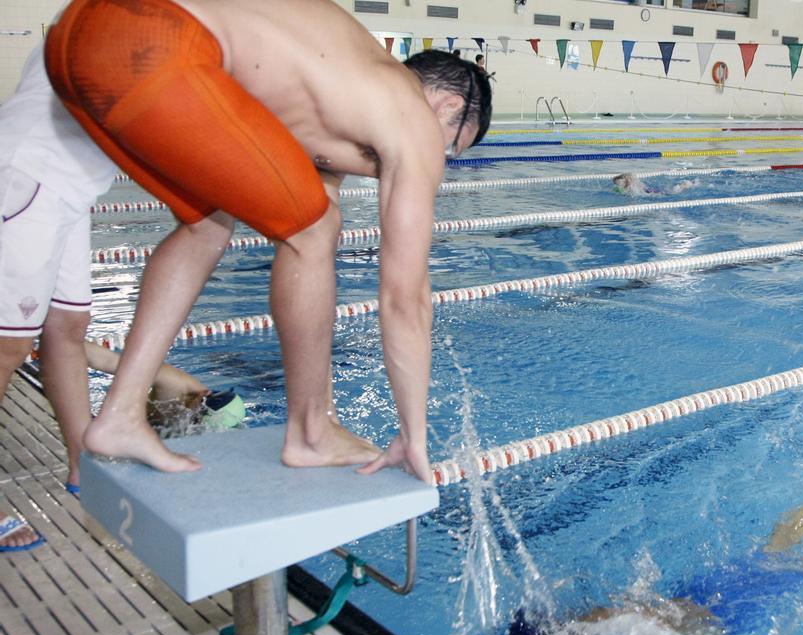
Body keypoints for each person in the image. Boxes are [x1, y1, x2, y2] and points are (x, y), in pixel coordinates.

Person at [45, 0, 493, 480]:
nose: (440, 160)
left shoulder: (346, 82)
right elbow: (405, 296)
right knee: (313, 231)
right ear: (446, 106)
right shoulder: (411, 116)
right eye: (450, 146)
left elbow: (310, 215)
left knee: (208, 226)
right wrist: (413, 434)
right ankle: (309, 434)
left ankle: (120, 415)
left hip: (77, 39)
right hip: (154, 38)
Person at [501, 485, 803, 635]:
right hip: (715, 613)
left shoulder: (599, 634)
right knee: (778, 552)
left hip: (716, 614)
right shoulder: (596, 631)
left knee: (797, 561)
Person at [0, 41, 119, 552]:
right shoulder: (117, 21)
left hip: (70, 188)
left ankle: (82, 465)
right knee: (6, 347)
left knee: (68, 327)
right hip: (30, 178)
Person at [82, 341, 246, 435]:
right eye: (196, 416)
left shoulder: (198, 429)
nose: (192, 421)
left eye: (197, 422)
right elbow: (107, 360)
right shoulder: (171, 381)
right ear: (203, 395)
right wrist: (65, 342)